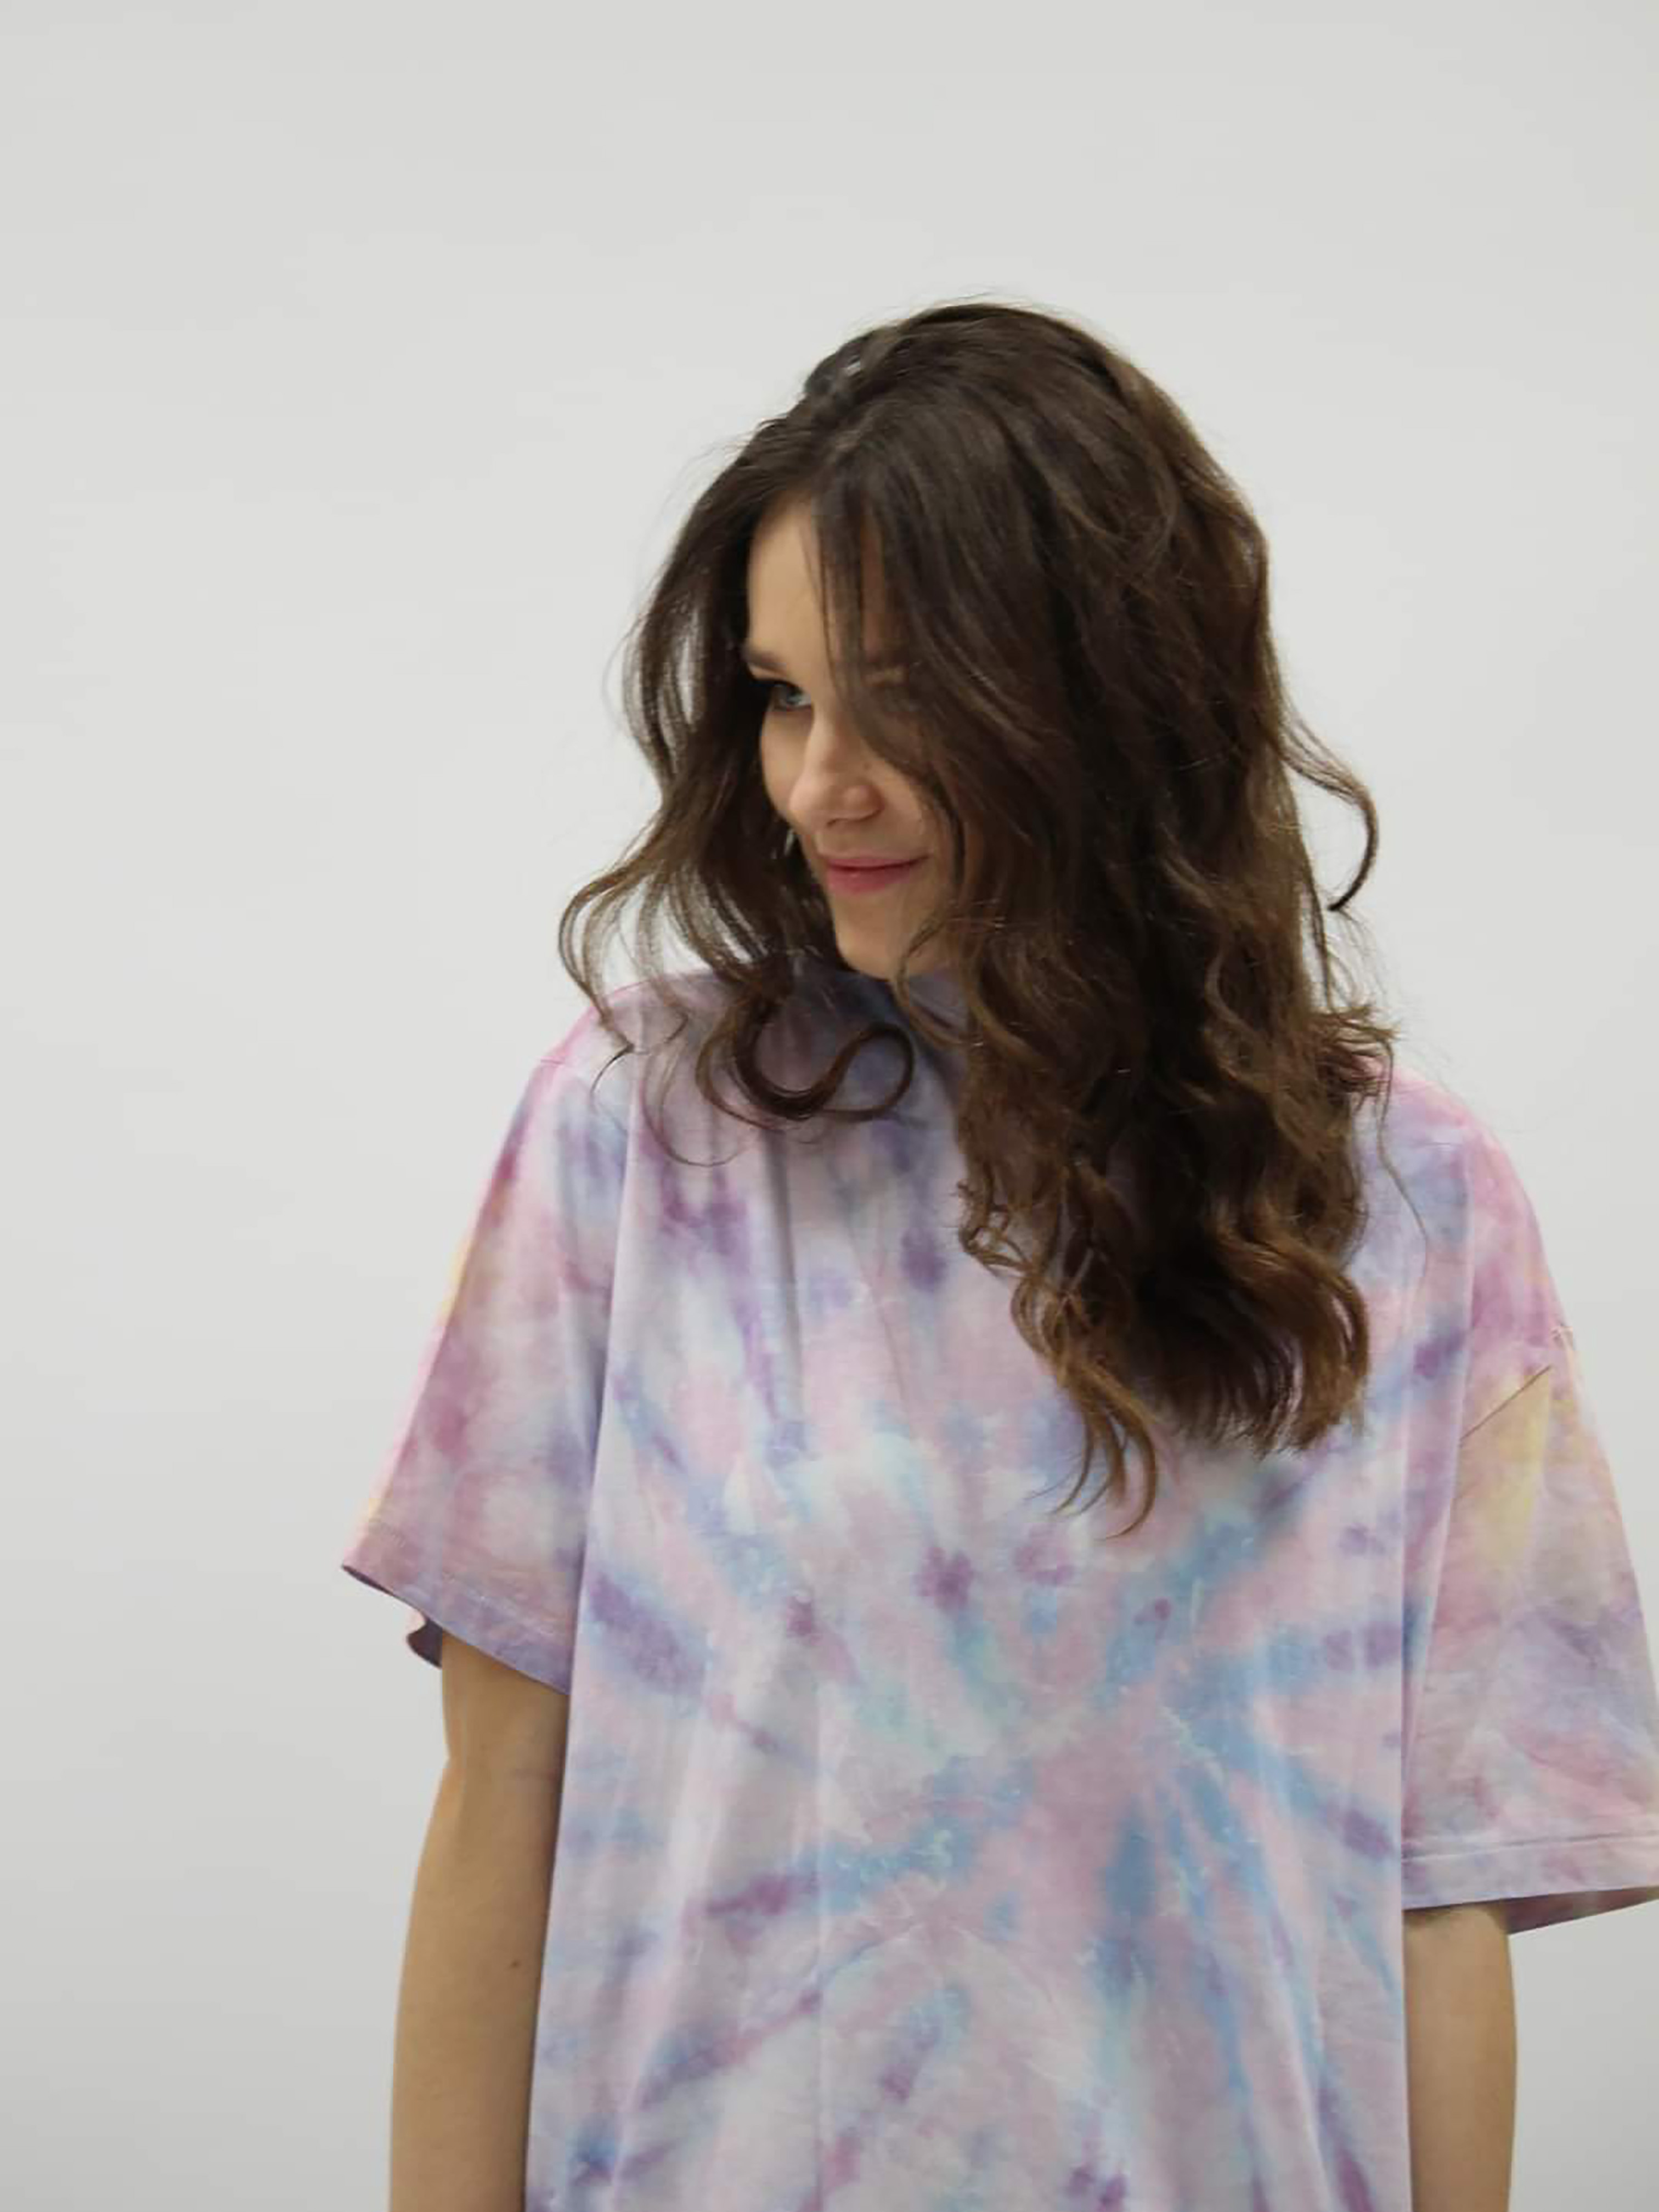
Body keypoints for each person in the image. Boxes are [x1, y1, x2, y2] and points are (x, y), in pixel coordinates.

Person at [340, 299, 1659, 2211]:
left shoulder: (1413, 1204)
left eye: (902, 700)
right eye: (784, 697)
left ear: (1109, 701)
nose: (820, 783)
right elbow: (499, 1801)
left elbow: (1439, 1900)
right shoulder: (649, 1133)